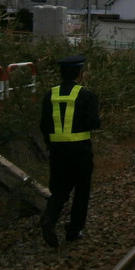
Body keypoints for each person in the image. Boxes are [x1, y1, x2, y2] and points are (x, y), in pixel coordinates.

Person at [39, 54, 100, 248]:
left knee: (59, 190)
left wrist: (50, 143)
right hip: (80, 150)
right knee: (81, 190)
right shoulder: (86, 95)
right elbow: (94, 123)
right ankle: (74, 230)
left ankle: (49, 218)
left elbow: (43, 124)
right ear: (79, 73)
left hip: (57, 151)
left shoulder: (50, 94)